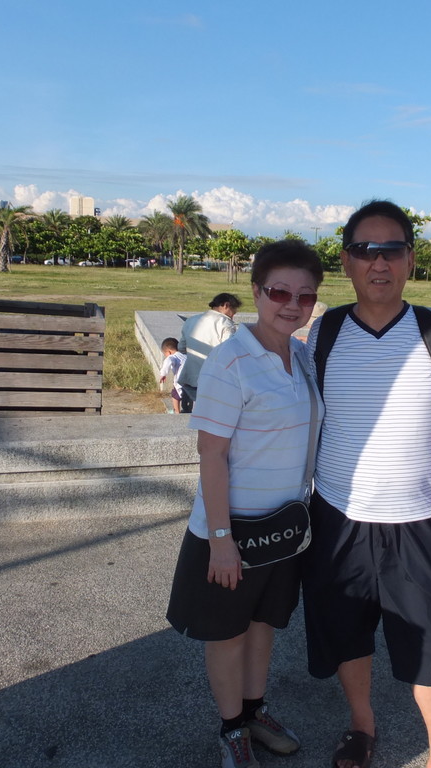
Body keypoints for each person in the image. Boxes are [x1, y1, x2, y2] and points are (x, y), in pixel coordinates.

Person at [302, 200, 431, 768]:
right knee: (346, 634)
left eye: (391, 250)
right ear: (346, 261)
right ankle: (362, 726)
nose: (377, 262)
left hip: (417, 519)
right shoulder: (326, 330)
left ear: (410, 259)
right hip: (338, 517)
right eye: (364, 250)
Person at [166, 241, 325, 768]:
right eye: (279, 292)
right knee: (228, 634)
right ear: (256, 292)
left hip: (285, 526)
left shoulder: (302, 356)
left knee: (262, 627)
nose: (291, 305)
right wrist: (221, 541)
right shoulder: (231, 360)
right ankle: (232, 727)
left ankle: (255, 711)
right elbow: (211, 453)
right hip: (232, 530)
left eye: (305, 295)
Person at [178, 293, 242, 404]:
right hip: (215, 381)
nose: (232, 316)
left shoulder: (191, 320)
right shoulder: (225, 323)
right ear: (226, 305)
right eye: (233, 312)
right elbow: (229, 352)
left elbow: (181, 347)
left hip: (191, 379)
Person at [157, 337, 187, 414]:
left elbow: (168, 361)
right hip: (189, 380)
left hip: (180, 381)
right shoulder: (184, 355)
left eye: (165, 354)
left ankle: (176, 411)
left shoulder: (172, 357)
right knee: (187, 396)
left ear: (169, 352)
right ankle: (188, 410)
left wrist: (163, 374)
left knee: (175, 395)